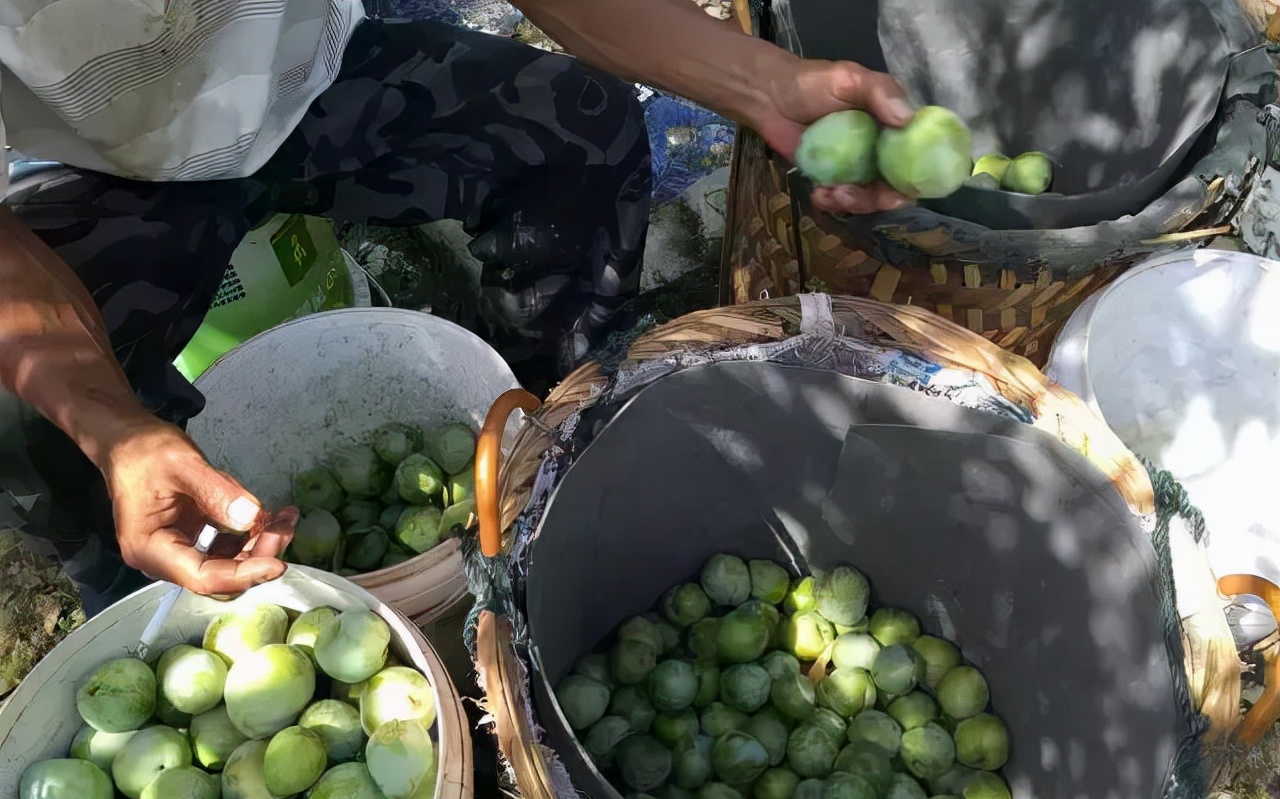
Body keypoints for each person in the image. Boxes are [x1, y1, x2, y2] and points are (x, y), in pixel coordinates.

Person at [0, 0, 915, 606]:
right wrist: (111, 423)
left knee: (575, 134)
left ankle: (546, 446)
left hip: (301, 82)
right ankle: (144, 608)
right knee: (26, 418)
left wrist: (764, 85)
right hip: (90, 166)